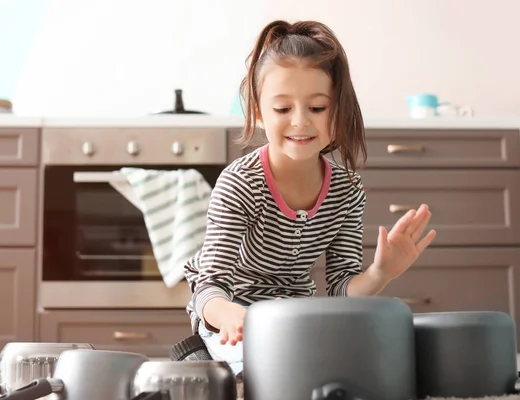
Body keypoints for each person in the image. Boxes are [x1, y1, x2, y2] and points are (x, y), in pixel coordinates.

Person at [181, 19, 437, 375]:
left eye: (317, 108)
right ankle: (200, 354)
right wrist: (236, 317)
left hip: (298, 316)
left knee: (371, 362)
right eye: (282, 109)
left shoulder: (346, 190)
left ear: (338, 109)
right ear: (257, 110)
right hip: (230, 315)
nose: (300, 122)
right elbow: (210, 288)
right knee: (277, 371)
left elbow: (340, 291)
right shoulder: (240, 184)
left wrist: (381, 272)